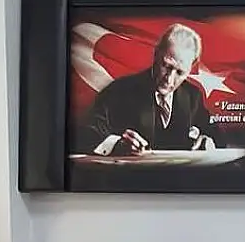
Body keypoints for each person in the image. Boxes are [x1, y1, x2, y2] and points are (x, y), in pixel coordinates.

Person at [76, 23, 220, 156]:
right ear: (156, 54)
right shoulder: (119, 91)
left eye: (180, 72)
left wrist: (208, 141)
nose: (169, 79)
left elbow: (216, 135)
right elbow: (87, 135)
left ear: (191, 68)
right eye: (166, 66)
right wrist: (117, 144)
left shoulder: (193, 96)